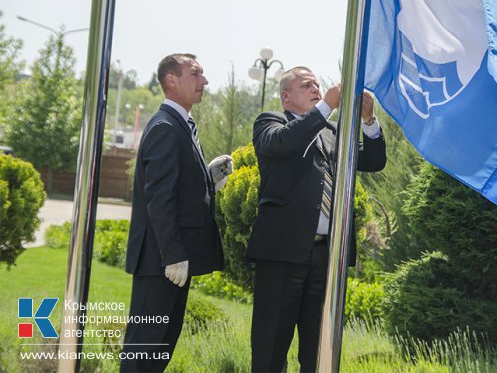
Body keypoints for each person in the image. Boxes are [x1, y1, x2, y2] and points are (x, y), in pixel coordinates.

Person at [246, 66, 387, 372]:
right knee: (270, 347)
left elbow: (374, 161)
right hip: (283, 255)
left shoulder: (333, 132)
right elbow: (285, 144)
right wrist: (327, 107)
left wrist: (368, 120)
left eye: (317, 85)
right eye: (306, 85)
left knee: (317, 350)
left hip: (326, 257)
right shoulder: (271, 123)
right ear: (286, 97)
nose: (316, 89)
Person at [121, 53, 232, 372]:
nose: (204, 81)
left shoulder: (179, 125)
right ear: (171, 80)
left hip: (171, 262)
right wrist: (172, 255)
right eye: (196, 73)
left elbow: (175, 186)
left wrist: (208, 179)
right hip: (162, 262)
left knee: (159, 350)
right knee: (142, 351)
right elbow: (159, 197)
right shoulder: (167, 127)